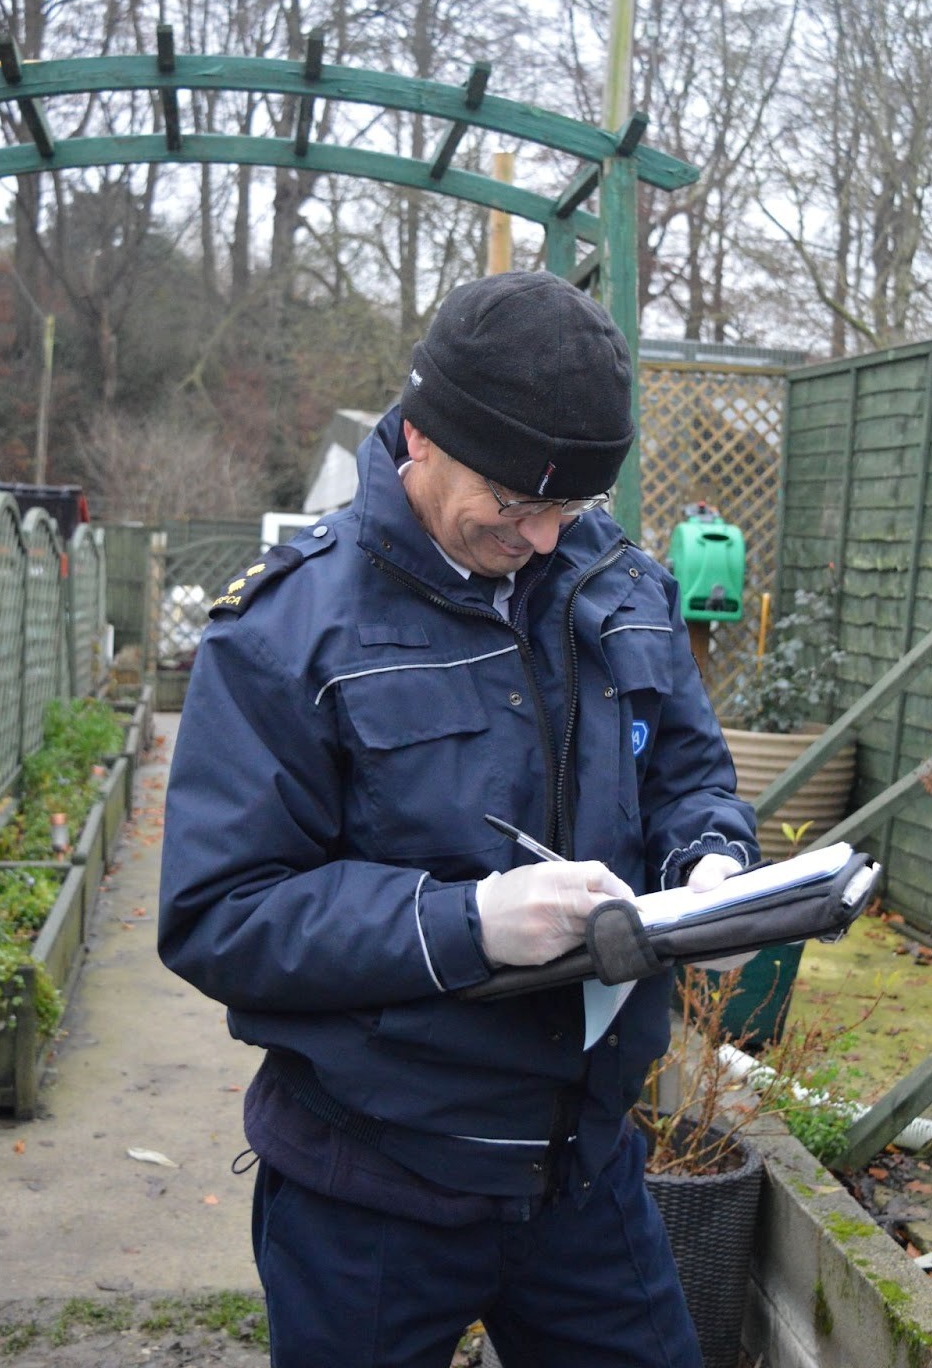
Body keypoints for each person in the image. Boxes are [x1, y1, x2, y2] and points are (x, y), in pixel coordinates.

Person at [158, 270, 759, 1368]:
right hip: (370, 1191)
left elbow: (688, 772)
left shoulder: (617, 583)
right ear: (423, 437)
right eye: (515, 503)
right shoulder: (289, 628)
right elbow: (218, 912)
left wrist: (712, 862)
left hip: (582, 1170)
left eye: (566, 510)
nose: (539, 538)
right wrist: (467, 921)